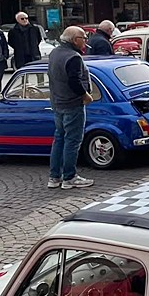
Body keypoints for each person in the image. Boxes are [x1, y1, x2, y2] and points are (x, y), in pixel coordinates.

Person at [47, 26, 95, 189]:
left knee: (59, 138)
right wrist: (85, 95)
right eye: (84, 38)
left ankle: (54, 177)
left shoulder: (54, 53)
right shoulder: (73, 57)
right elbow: (74, 80)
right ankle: (69, 177)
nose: (85, 41)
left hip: (57, 103)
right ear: (75, 40)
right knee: (72, 140)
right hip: (72, 104)